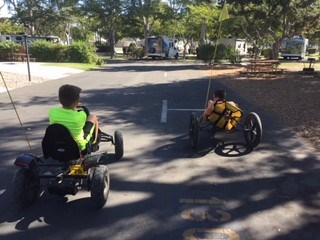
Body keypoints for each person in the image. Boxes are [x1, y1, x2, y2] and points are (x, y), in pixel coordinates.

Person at [48, 84, 99, 152]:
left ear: (60, 100)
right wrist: (80, 106)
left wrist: (74, 106)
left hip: (58, 145)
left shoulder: (52, 112)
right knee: (93, 117)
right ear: (76, 102)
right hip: (79, 147)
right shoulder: (80, 116)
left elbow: (67, 113)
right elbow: (86, 113)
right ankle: (94, 143)